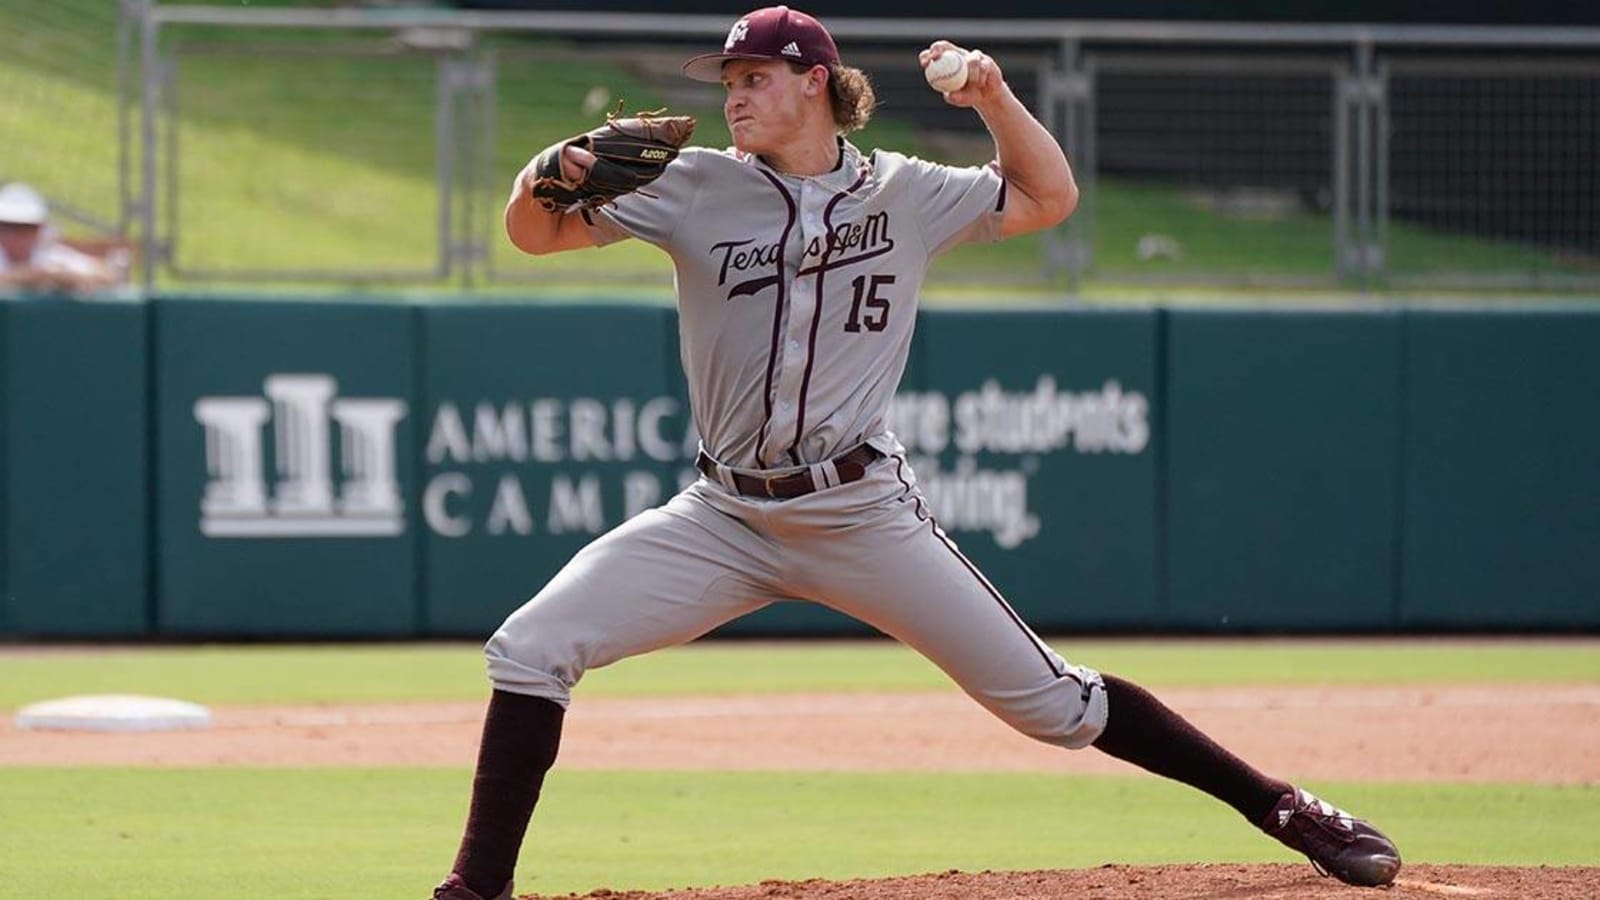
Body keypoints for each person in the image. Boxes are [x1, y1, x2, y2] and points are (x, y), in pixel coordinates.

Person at [433, 7, 1402, 899]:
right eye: (724, 78)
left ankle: (1283, 807)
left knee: (1054, 709)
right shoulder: (691, 185)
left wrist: (990, 97)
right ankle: (472, 890)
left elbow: (1046, 196)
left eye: (753, 76)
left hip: (858, 514)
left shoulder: (906, 191)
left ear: (814, 80)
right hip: (722, 517)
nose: (730, 95)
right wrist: (547, 169)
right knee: (529, 648)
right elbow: (533, 235)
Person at [0, 182, 118, 295]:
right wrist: (36, 277)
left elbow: (107, 276)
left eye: (26, 228)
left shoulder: (50, 257)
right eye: (6, 227)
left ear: (39, 230)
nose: (13, 236)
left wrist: (67, 279)